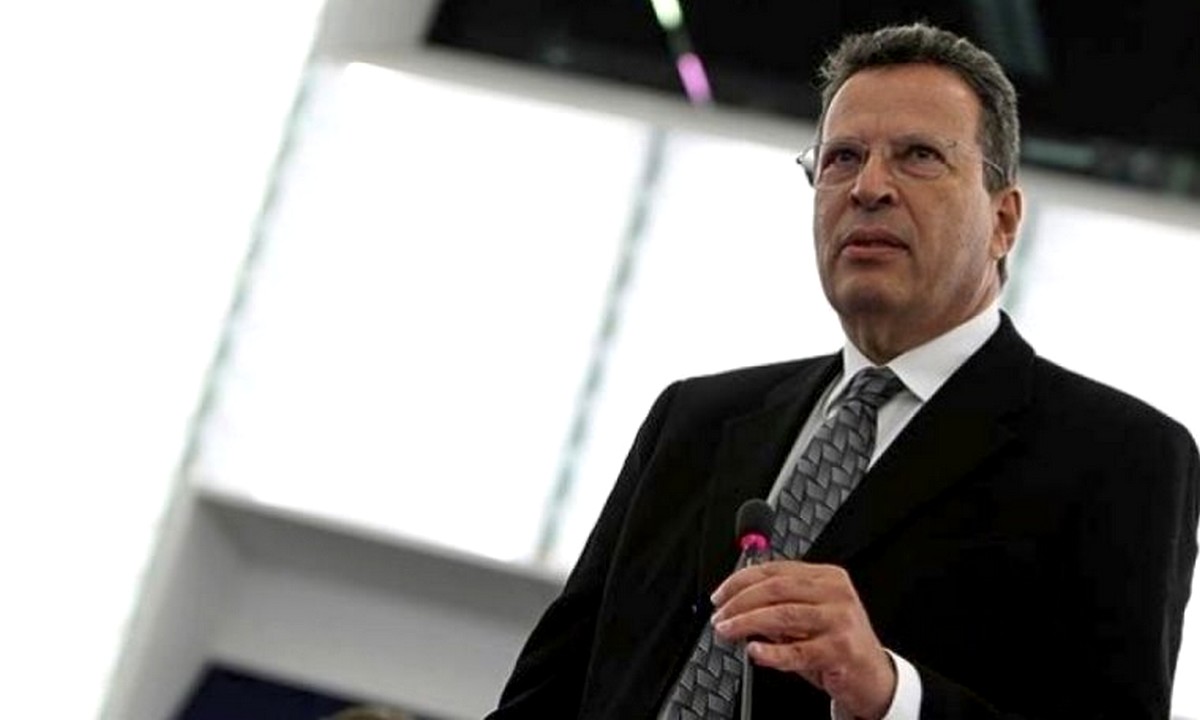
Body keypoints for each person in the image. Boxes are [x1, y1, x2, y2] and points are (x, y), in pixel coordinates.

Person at [486, 22, 1199, 720]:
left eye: (919, 155)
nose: (869, 187)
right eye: (842, 158)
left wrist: (890, 694)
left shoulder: (1121, 457)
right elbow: (549, 692)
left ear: (1004, 221)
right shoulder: (693, 420)